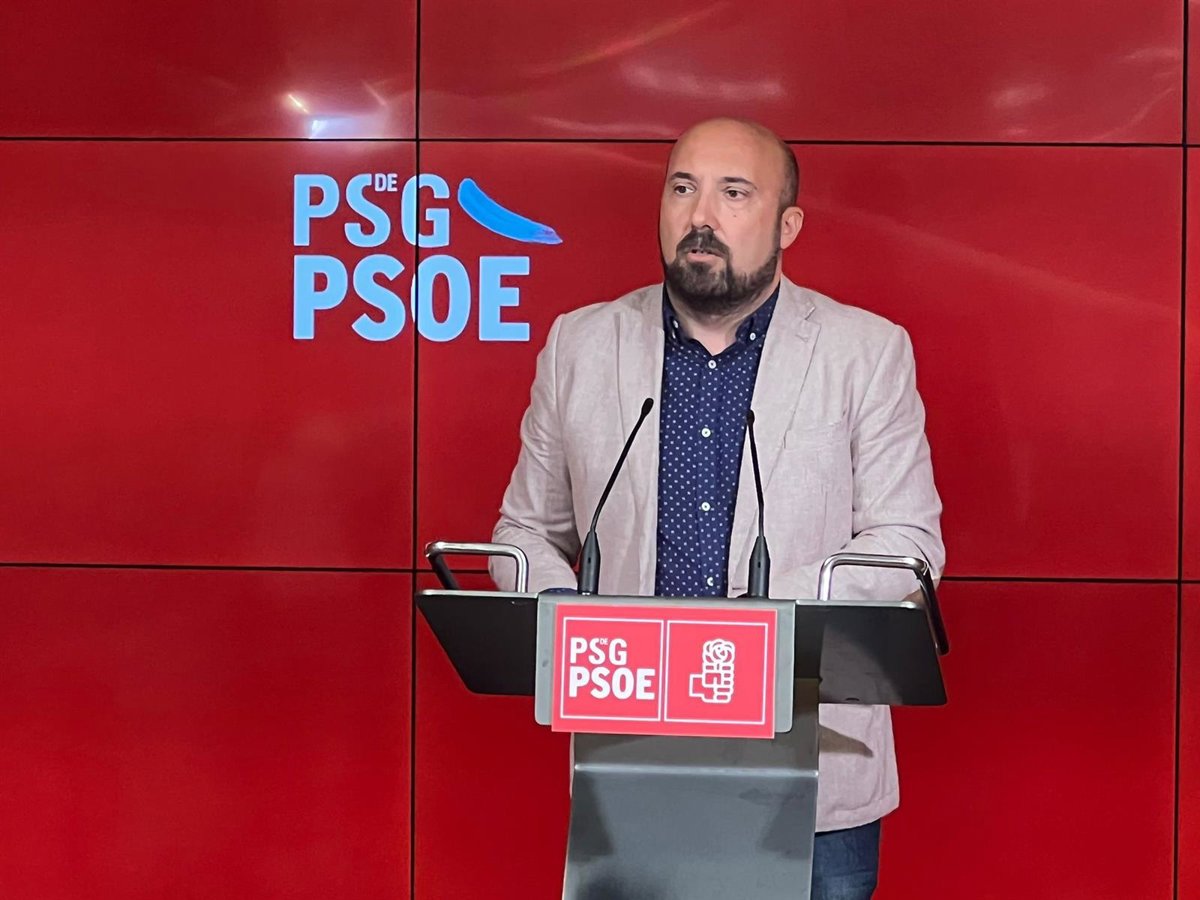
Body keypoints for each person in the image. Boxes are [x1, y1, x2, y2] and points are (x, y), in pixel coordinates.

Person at [490, 117, 944, 899]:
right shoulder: (581, 346)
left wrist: (754, 620)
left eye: (734, 193)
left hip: (811, 774)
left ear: (787, 225)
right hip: (634, 759)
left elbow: (908, 542)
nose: (700, 216)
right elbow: (525, 530)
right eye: (682, 188)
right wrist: (571, 619)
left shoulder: (865, 353)